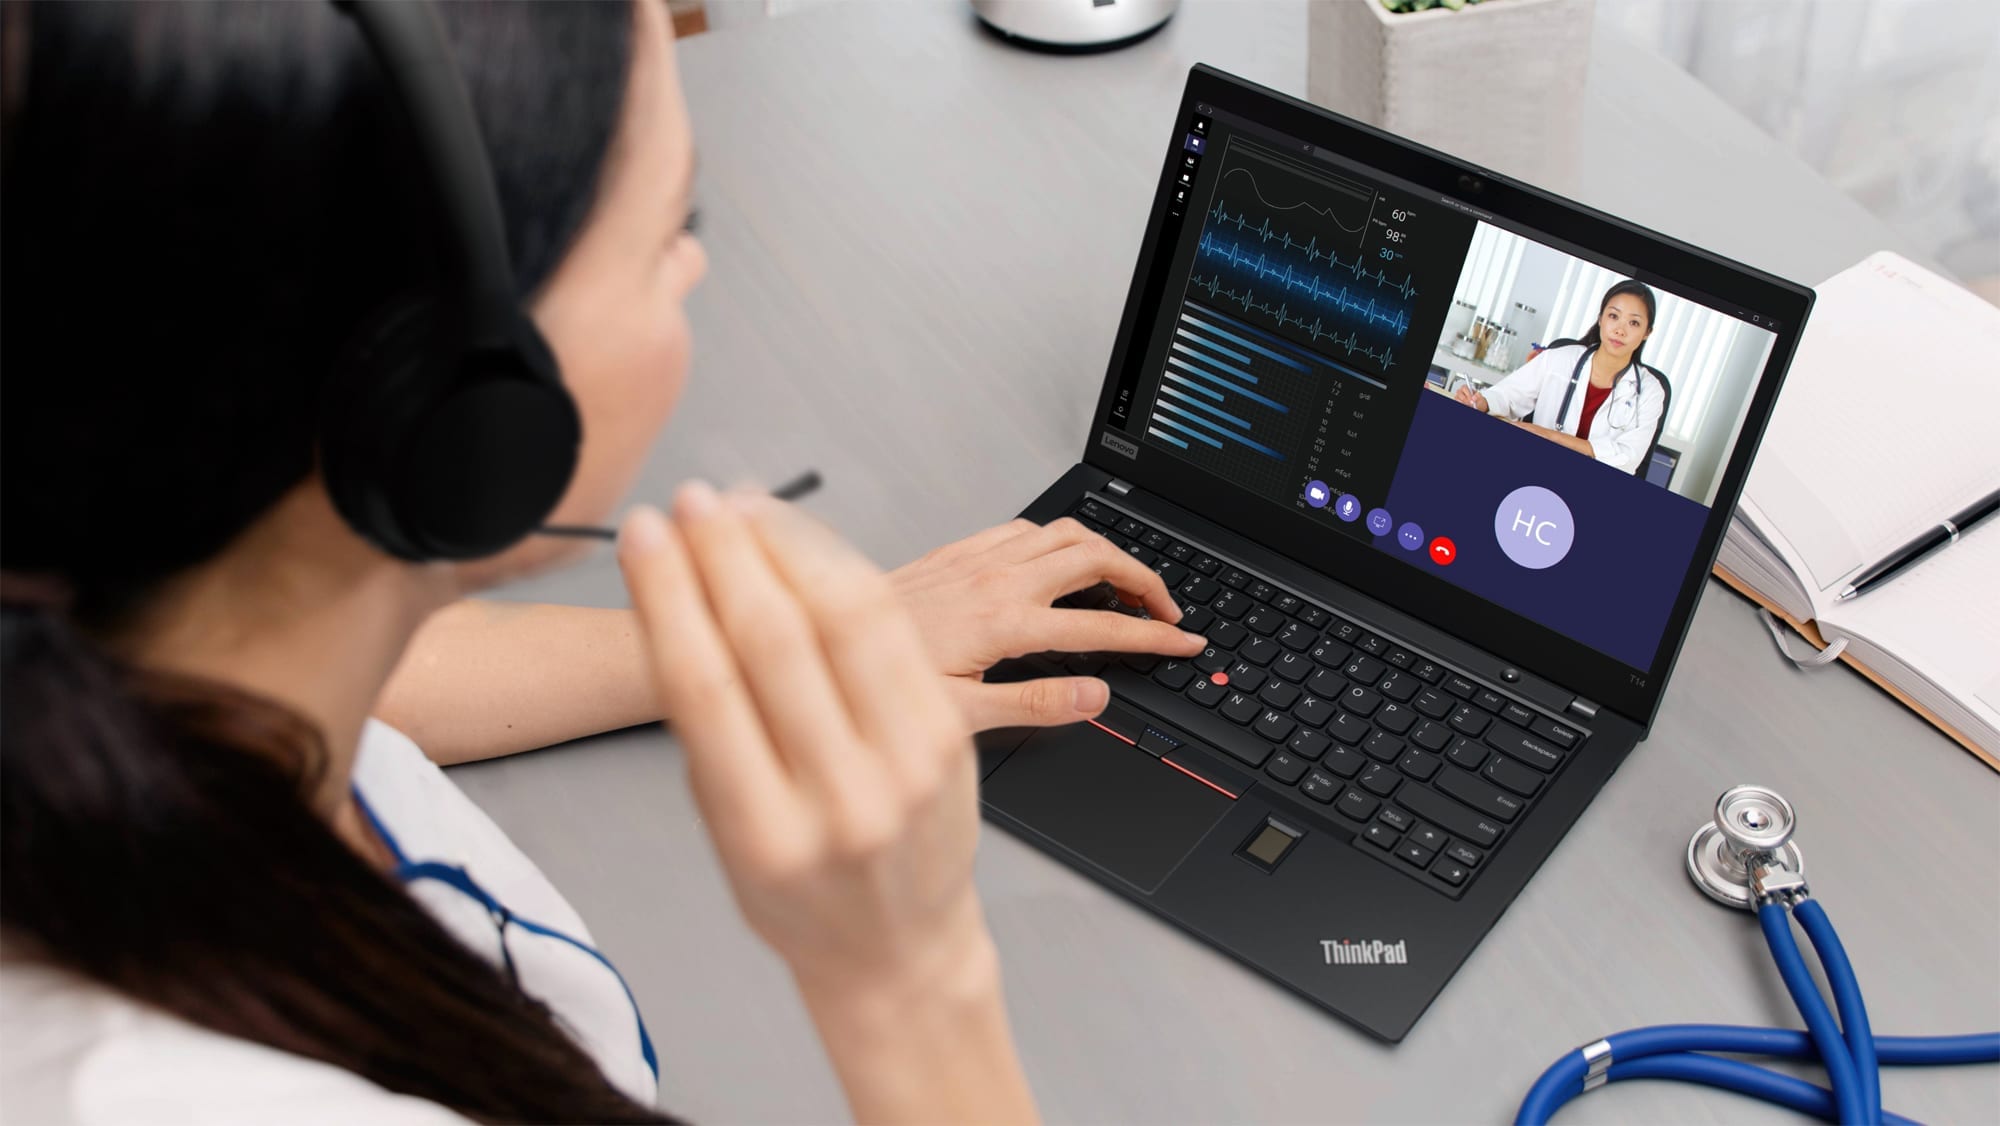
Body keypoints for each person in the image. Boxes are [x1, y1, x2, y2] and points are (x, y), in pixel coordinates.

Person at [0, 2, 1208, 1121]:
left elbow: (375, 658)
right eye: (669, 234)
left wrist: (743, 652)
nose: (690, 271)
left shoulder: (141, 620)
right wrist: (908, 977)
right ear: (462, 406)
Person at [1452, 280, 1670, 476]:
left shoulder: (1650, 391)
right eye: (1614, 316)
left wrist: (1550, 437)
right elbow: (1507, 396)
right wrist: (1482, 402)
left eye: (1634, 323)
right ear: (1600, 319)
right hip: (1535, 469)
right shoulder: (1558, 359)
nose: (1620, 330)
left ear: (1647, 333)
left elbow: (1628, 458)